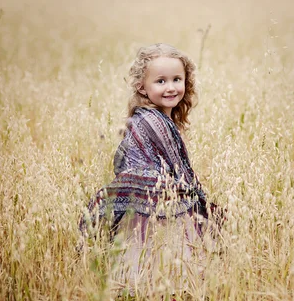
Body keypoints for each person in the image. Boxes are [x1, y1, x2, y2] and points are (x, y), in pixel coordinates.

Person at [80, 43, 223, 287]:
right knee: (165, 274)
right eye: (160, 81)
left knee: (147, 275)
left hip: (148, 208)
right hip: (159, 214)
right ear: (141, 86)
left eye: (177, 79)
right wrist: (205, 207)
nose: (170, 87)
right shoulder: (154, 122)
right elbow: (181, 173)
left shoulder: (147, 117)